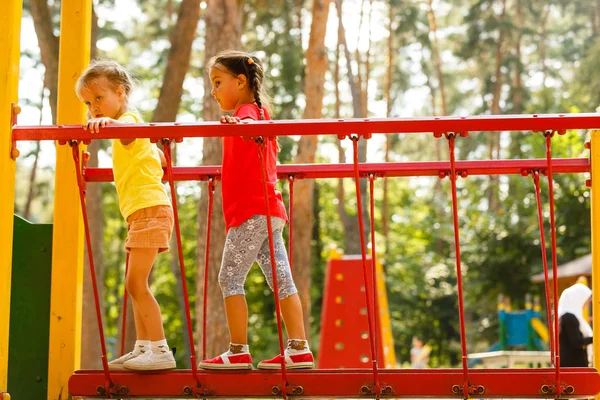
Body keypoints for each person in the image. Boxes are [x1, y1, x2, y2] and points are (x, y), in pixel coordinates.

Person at [198, 50, 314, 370]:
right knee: (282, 280)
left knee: (230, 279)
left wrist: (238, 123)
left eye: (218, 82)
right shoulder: (260, 114)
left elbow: (249, 126)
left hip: (252, 211)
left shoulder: (248, 112)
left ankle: (237, 351)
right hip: (268, 209)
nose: (213, 90)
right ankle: (299, 348)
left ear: (241, 81)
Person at [76, 60, 176, 371]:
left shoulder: (129, 122)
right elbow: (155, 154)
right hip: (140, 213)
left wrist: (107, 124)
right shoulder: (131, 131)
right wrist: (156, 155)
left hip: (150, 210)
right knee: (133, 283)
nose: (94, 109)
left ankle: (160, 349)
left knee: (136, 283)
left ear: (121, 93)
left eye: (98, 99)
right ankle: (143, 346)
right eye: (88, 104)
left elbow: (132, 130)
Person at [558, 282, 593, 367]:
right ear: (578, 299)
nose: (585, 305)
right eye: (585, 301)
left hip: (569, 364)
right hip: (573, 365)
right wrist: (595, 338)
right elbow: (577, 342)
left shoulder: (565, 316)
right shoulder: (570, 318)